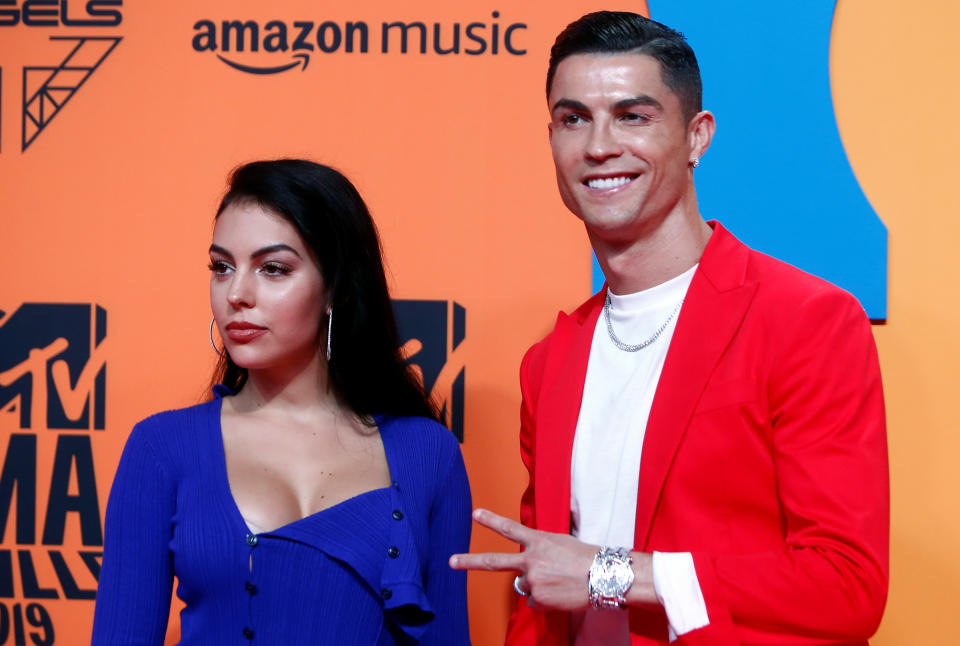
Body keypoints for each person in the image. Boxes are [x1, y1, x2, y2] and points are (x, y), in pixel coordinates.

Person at [450, 11, 888, 645]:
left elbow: (846, 586)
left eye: (633, 115)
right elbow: (546, 581)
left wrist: (611, 574)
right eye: (574, 119)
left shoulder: (804, 321)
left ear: (696, 136)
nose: (598, 146)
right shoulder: (549, 362)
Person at [92, 160, 472, 645]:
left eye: (273, 269)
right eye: (222, 267)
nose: (236, 294)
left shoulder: (428, 454)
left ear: (335, 288)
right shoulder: (162, 448)